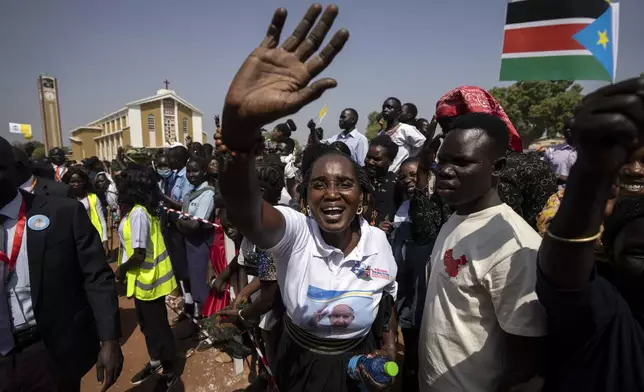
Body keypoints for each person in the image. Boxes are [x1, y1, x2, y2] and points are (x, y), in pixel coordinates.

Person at [217, 6, 398, 391]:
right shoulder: (296, 234)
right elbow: (246, 212)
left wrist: (388, 349)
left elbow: (386, 301)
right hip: (301, 363)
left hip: (359, 361)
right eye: (319, 185)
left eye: (344, 184)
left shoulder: (379, 242)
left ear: (362, 197)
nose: (332, 193)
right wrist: (238, 129)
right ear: (304, 199)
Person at [419, 113, 546, 392]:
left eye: (462, 162)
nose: (445, 170)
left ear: (497, 167)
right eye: (443, 160)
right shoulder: (456, 218)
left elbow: (528, 364)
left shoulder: (516, 247)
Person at [536, 76, 644, 391]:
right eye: (627, 161)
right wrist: (591, 176)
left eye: (643, 161)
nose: (634, 170)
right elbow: (565, 269)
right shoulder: (607, 311)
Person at [0, 136, 123, 391]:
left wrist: (109, 338)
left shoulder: (61, 213)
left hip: (48, 353)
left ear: (14, 169)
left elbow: (96, 276)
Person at [414, 85, 558, 231]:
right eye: (445, 127)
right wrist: (423, 170)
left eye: (458, 124)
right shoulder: (448, 173)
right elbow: (425, 233)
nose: (450, 133)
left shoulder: (531, 169)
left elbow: (542, 232)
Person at [114, 169, 180, 390]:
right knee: (147, 325)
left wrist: (121, 270)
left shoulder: (139, 214)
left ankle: (170, 371)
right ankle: (156, 361)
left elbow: (139, 254)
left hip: (150, 279)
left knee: (158, 328)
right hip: (143, 280)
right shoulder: (137, 210)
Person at [175, 158, 216, 318]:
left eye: (195, 171)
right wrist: (183, 222)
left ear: (204, 171)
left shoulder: (207, 193)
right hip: (190, 244)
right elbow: (185, 222)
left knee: (202, 285)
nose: (191, 175)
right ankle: (200, 321)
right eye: (189, 171)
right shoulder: (191, 193)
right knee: (195, 283)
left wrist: (181, 222)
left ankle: (209, 325)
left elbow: (194, 225)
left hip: (201, 245)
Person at [162, 145, 194, 320]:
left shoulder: (186, 176)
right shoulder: (174, 175)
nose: (169, 161)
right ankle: (186, 304)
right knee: (179, 268)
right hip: (172, 226)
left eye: (172, 158)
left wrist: (162, 197)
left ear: (180, 159)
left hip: (182, 228)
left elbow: (184, 204)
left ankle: (192, 309)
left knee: (185, 269)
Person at [62, 167, 109, 253]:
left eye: (79, 181)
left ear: (84, 182)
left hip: (92, 238)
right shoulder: (64, 200)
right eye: (72, 182)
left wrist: (105, 240)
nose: (76, 184)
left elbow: (102, 220)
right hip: (72, 241)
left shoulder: (93, 198)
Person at [379, 97, 426, 172]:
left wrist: (409, 160)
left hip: (400, 175)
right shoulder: (382, 133)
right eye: (383, 107)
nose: (385, 110)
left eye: (389, 107)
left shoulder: (406, 129)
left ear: (398, 111)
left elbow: (422, 144)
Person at [364, 135, 399, 228]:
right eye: (368, 157)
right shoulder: (356, 178)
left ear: (390, 161)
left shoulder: (396, 183)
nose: (370, 162)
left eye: (377, 159)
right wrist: (375, 224)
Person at [543, 119, 577, 185]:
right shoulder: (551, 151)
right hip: (556, 194)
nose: (568, 130)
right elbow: (544, 175)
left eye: (572, 128)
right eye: (566, 128)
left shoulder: (588, 152)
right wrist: (557, 176)